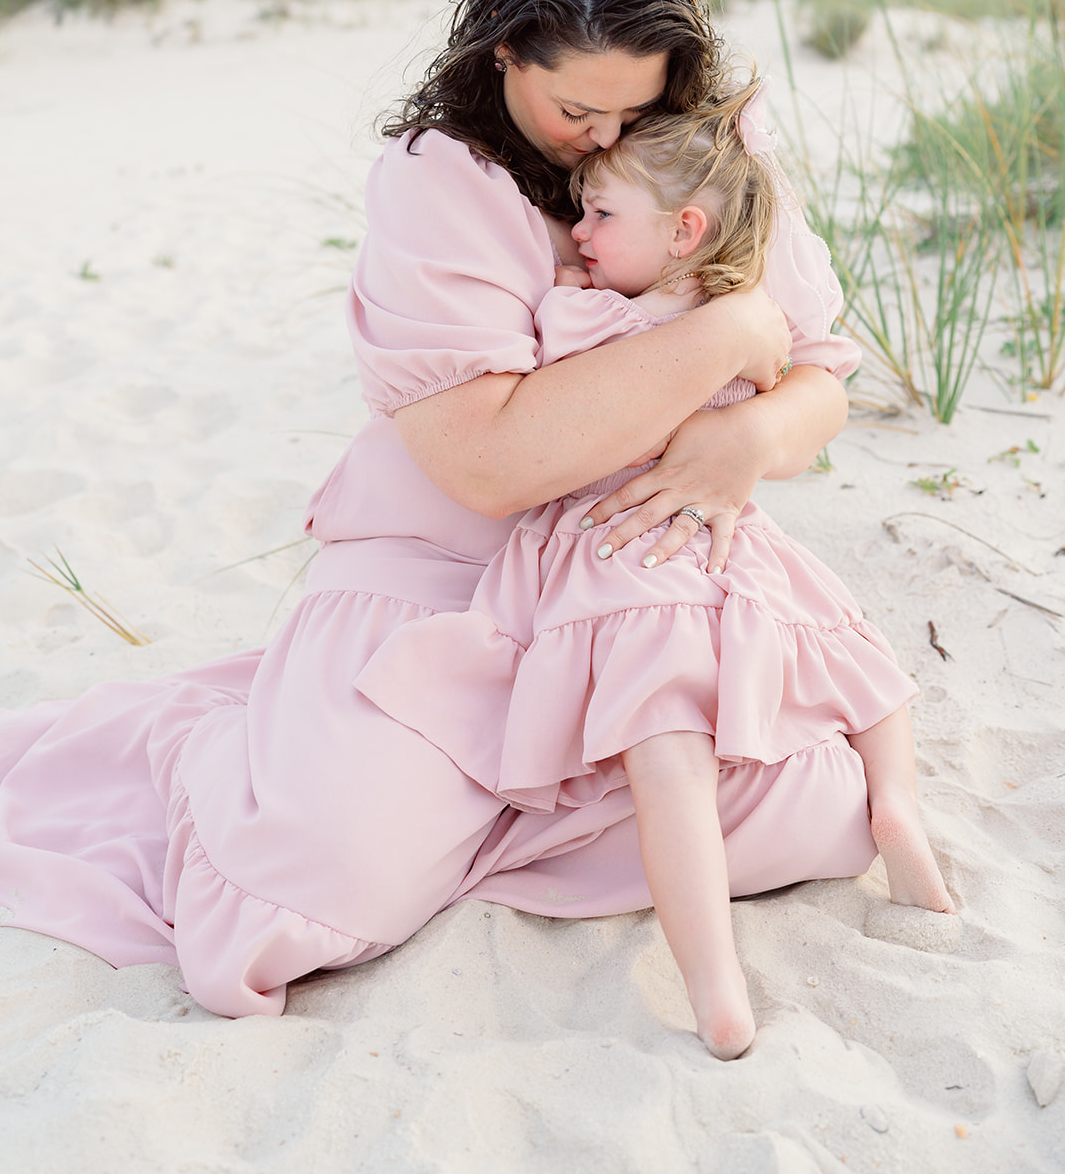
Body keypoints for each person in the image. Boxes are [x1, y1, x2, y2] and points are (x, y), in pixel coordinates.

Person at [0, 0, 883, 1021]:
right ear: (506, 50)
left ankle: (478, 808)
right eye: (576, 109)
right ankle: (270, 750)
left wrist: (752, 430)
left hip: (628, 577)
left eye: (638, 107)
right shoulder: (438, 180)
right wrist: (719, 335)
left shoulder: (707, 162)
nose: (607, 141)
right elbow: (490, 466)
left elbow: (819, 382)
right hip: (441, 575)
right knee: (305, 894)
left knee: (827, 811)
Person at [355, 107, 954, 1059]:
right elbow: (786, 378)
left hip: (616, 555)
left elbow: (534, 389)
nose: (578, 233)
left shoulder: (583, 310)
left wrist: (560, 280)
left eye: (598, 215)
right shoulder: (737, 310)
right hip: (728, 542)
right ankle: (897, 806)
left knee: (667, 757)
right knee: (857, 658)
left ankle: (716, 986)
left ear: (683, 231)